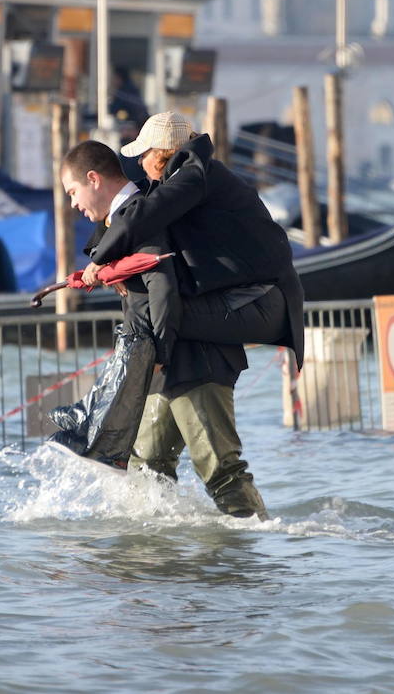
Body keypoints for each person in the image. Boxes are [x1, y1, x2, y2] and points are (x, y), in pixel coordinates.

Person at [60, 140, 269, 518]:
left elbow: (164, 288)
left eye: (73, 192)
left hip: (195, 360)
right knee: (146, 471)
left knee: (221, 470)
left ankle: (256, 554)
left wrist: (159, 353)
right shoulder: (123, 219)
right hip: (163, 363)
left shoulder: (142, 212)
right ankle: (152, 567)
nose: (73, 204)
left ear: (93, 179)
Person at [82, 111, 305, 372]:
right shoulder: (181, 178)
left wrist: (101, 261)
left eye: (144, 154)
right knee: (154, 311)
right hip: (243, 296)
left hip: (262, 300)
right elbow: (132, 204)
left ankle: (150, 368)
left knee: (156, 313)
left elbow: (142, 216)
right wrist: (102, 252)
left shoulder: (195, 176)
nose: (140, 162)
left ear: (161, 152)